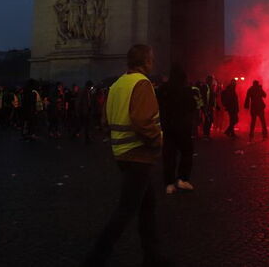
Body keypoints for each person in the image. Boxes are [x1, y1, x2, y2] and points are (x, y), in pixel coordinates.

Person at [83, 45, 165, 266]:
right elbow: (142, 120)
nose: (153, 63)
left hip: (121, 152)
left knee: (148, 206)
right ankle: (95, 258)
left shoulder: (118, 84)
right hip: (138, 154)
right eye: (152, 59)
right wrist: (156, 140)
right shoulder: (142, 83)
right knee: (126, 210)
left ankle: (153, 256)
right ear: (145, 61)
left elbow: (104, 119)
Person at [158, 64, 197, 194]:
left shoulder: (163, 89)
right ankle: (182, 179)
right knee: (186, 152)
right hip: (183, 128)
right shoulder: (186, 90)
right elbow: (193, 106)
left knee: (169, 155)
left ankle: (169, 184)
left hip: (168, 127)